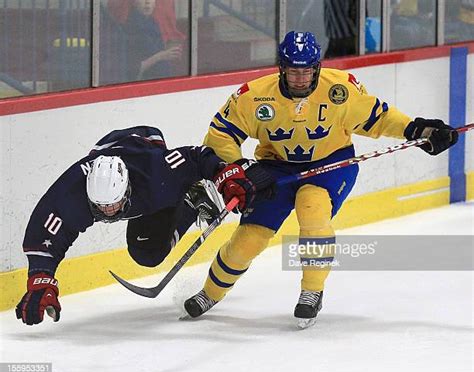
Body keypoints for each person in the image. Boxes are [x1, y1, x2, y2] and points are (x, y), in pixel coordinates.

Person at [183, 31, 459, 327]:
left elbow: (378, 118)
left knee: (312, 206)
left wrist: (420, 131)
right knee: (249, 238)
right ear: (281, 68)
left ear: (316, 68)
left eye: (306, 71)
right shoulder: (254, 96)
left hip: (332, 163)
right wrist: (239, 167)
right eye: (293, 71)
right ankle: (210, 292)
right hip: (275, 168)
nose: (300, 79)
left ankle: (312, 291)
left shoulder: (340, 89)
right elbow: (220, 134)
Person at [15, 125, 270, 326]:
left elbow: (197, 157)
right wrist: (41, 278)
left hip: (146, 145)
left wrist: (224, 175)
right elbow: (44, 232)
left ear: (126, 191)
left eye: (113, 206)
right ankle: (192, 201)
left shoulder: (157, 175)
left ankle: (192, 197)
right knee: (146, 253)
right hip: (110, 147)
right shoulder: (75, 192)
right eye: (101, 208)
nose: (108, 213)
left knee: (150, 252)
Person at [106, 0, 186, 81]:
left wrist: (169, 52)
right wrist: (161, 56)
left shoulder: (153, 22)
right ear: (133, 2)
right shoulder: (130, 28)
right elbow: (133, 69)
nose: (147, 2)